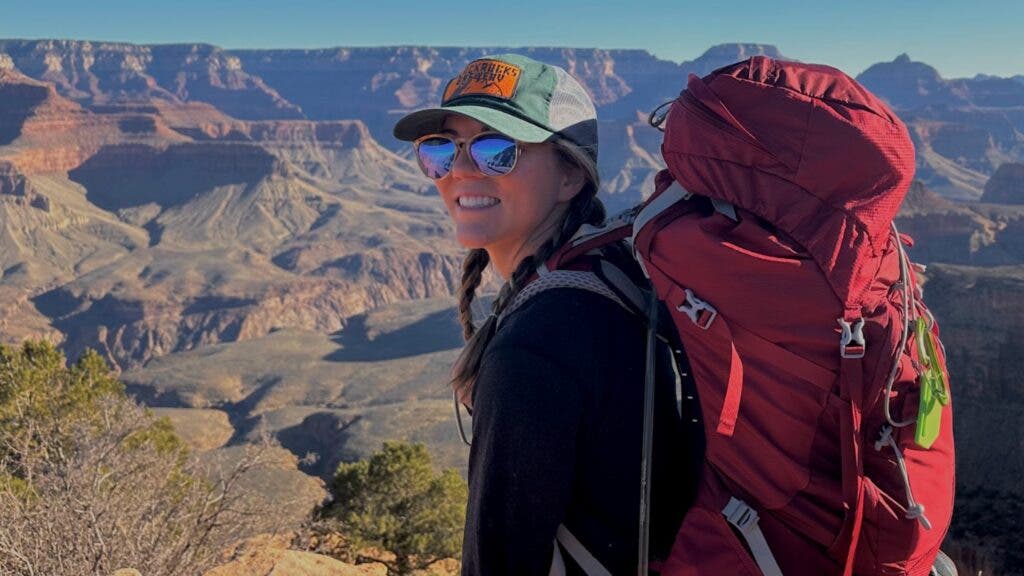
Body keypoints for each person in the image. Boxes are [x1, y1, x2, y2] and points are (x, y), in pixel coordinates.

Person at [393, 54, 698, 575]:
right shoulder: (616, 267)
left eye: (498, 150)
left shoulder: (535, 348)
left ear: (570, 177)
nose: (461, 169)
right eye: (441, 149)